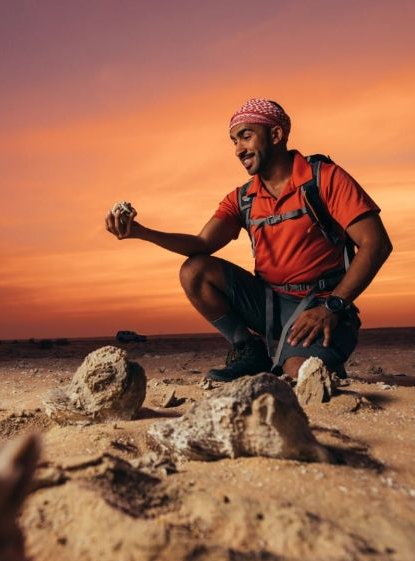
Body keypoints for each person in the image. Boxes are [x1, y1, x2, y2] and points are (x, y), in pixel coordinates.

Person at [105, 98, 392, 381]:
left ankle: (308, 356)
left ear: (276, 134)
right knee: (195, 270)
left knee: (299, 376)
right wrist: (142, 232)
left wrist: (332, 306)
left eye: (246, 136)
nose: (238, 149)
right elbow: (202, 244)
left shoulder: (325, 179)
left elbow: (376, 244)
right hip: (268, 305)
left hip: (322, 306)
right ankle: (249, 350)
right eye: (233, 141)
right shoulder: (242, 198)